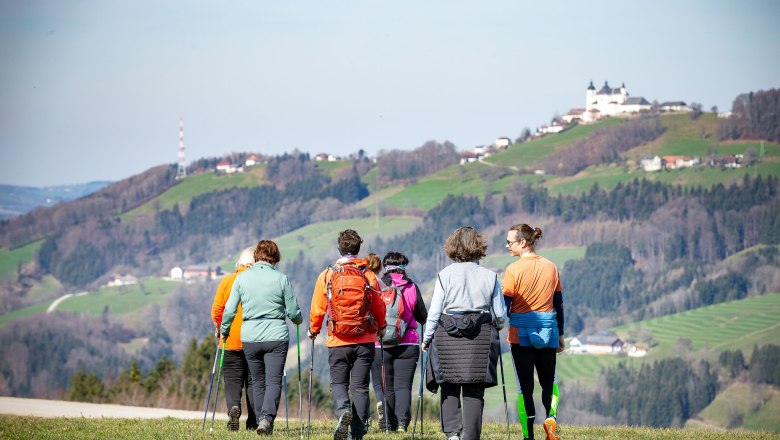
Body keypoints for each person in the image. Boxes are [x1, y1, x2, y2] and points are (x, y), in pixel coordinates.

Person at [422, 226, 507, 440]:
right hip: (480, 337)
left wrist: (427, 338)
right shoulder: (490, 276)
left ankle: (452, 434)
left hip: (447, 335)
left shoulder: (444, 275)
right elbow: (500, 314)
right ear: (478, 246)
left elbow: (435, 311)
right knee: (474, 387)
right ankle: (470, 436)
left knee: (448, 383)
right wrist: (498, 324)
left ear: (453, 246)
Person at [309, 229, 387, 440]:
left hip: (338, 339)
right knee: (360, 387)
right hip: (365, 339)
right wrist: (381, 326)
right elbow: (379, 307)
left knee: (338, 384)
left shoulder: (328, 274)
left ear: (339, 248)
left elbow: (318, 307)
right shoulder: (368, 274)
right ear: (358, 248)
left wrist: (314, 329)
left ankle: (343, 411)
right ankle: (358, 433)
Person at [220, 240, 302, 436]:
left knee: (257, 381)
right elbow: (293, 312)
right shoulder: (282, 279)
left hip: (250, 336)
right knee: (273, 381)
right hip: (276, 336)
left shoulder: (241, 279)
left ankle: (259, 419)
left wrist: (224, 330)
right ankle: (266, 419)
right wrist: (298, 318)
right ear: (276, 258)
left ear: (257, 256)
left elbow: (230, 310)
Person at [502, 223, 564, 440]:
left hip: (520, 335)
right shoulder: (551, 267)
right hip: (549, 332)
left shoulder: (513, 270)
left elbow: (505, 305)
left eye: (510, 242)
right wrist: (561, 334)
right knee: (549, 382)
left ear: (523, 242)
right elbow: (559, 304)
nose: (507, 246)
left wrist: (503, 319)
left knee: (525, 388)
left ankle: (528, 435)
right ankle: (551, 418)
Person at [376, 251, 428, 432]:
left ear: (385, 267)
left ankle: (388, 425)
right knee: (403, 386)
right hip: (408, 343)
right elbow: (423, 317)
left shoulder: (378, 285)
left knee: (387, 386)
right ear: (404, 267)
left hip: (381, 342)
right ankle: (402, 424)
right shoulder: (411, 286)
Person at [211, 246, 257, 431]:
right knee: (254, 382)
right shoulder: (259, 282)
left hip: (229, 339)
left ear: (239, 263)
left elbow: (217, 310)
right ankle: (253, 422)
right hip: (255, 339)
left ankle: (234, 408)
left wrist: (220, 328)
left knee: (232, 381)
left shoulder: (228, 281)